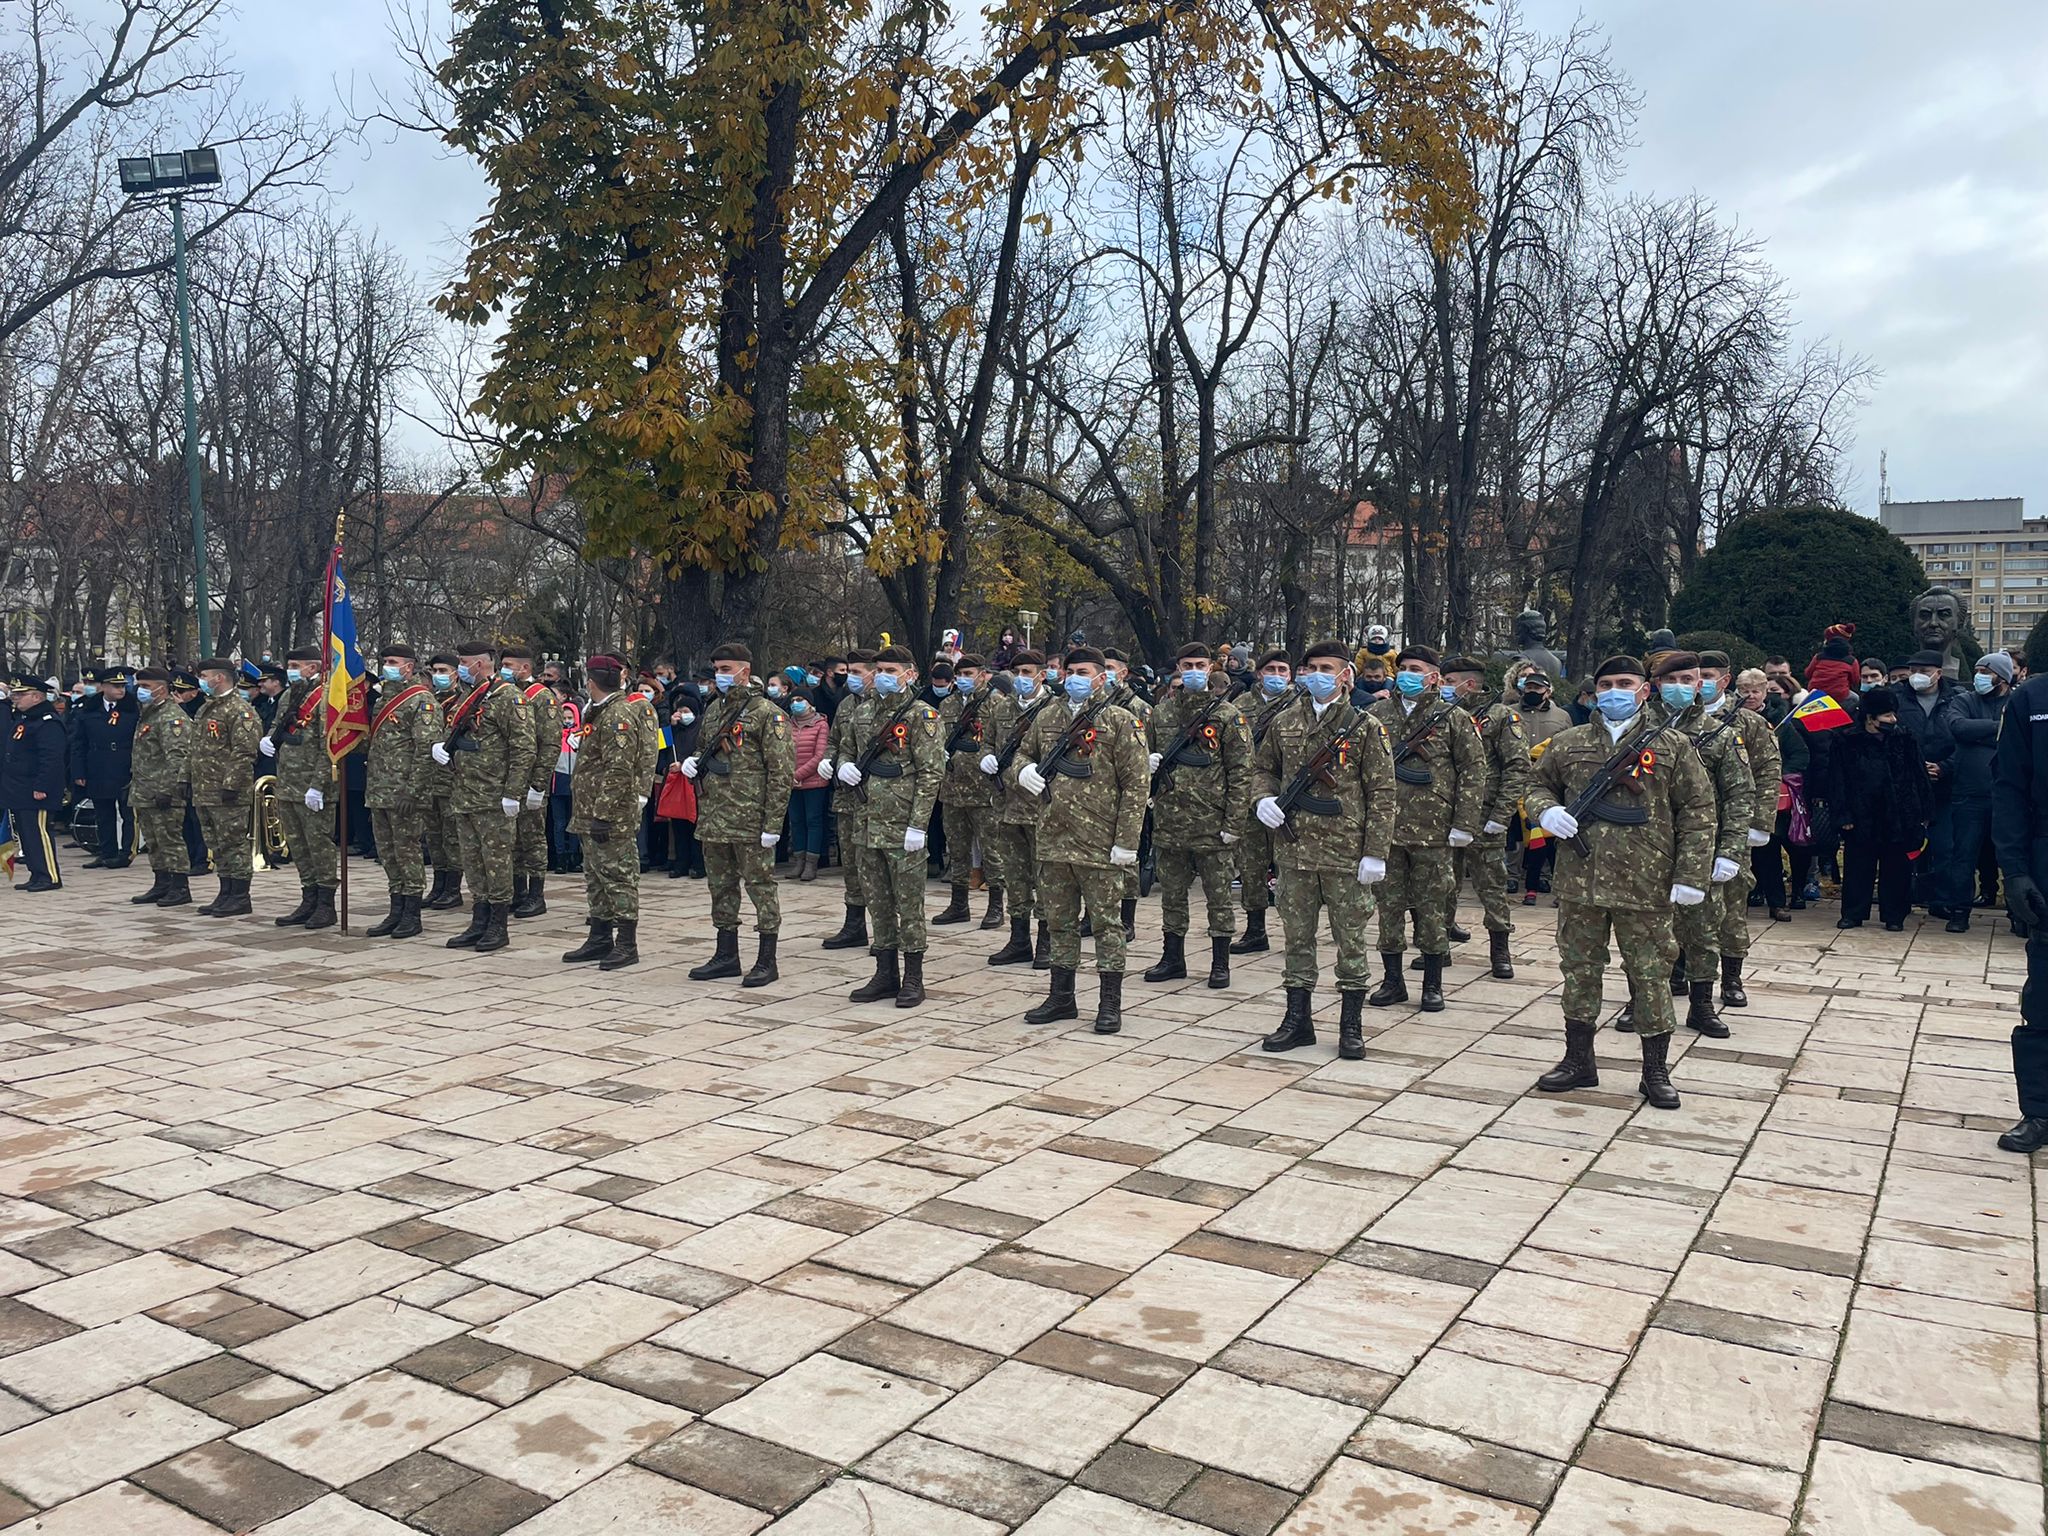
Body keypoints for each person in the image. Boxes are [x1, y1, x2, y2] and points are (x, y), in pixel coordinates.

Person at [1526, 655, 1715, 1109]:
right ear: (1594, 692)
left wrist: (1691, 875)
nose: (1615, 691)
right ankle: (1578, 1060)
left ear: (1643, 690)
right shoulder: (1569, 742)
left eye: (1624, 683)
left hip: (1646, 882)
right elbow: (1536, 785)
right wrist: (1545, 811)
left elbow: (1698, 810)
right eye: (1606, 683)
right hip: (1580, 881)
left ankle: (1654, 1071)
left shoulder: (1671, 745)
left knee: (1649, 975)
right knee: (1579, 972)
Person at [1252, 641, 1395, 1056]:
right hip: (1294, 851)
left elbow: (1383, 793)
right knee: (1297, 938)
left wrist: (1376, 851)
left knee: (1350, 940)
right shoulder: (1284, 721)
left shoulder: (1365, 726)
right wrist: (1262, 799)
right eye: (1311, 666)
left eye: (1326, 667)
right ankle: (1298, 1020)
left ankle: (1351, 1026)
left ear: (1346, 674)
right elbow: (1263, 769)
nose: (1317, 674)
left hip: (1345, 853)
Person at [1010, 646, 1148, 1034]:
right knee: (1059, 922)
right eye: (1069, 670)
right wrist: (1023, 772)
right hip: (1053, 836)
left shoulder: (1121, 721)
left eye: (1083, 672)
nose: (1074, 677)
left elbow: (1136, 786)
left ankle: (1110, 1002)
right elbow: (1020, 754)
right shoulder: (1047, 715)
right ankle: (1062, 997)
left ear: (1102, 678)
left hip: (1100, 841)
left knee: (1106, 924)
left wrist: (1127, 841)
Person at [1616, 652, 1751, 1040]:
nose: (1681, 686)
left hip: (1701, 846)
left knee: (1703, 931)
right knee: (1644, 933)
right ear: (1655, 684)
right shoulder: (1633, 731)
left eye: (1689, 679)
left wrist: (1730, 850)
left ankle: (1702, 1004)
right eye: (1671, 679)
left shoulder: (1721, 734)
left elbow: (1740, 795)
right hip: (1647, 848)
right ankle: (1639, 1000)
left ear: (1700, 685)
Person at [1365, 645, 1484, 1013]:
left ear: (1433, 676)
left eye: (1415, 669)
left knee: (1432, 910)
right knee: (1388, 908)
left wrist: (1464, 823)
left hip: (1434, 831)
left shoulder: (1453, 717)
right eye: (1402, 668)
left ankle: (1433, 984)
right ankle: (1393, 981)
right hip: (1387, 830)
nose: (1407, 674)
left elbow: (1473, 771)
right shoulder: (1376, 714)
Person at [836, 645, 945, 1007]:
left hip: (902, 826)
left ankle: (914, 977)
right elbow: (846, 750)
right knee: (878, 903)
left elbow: (931, 773)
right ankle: (885, 973)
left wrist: (919, 825)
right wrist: (843, 766)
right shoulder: (863, 712)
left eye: (890, 669)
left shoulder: (921, 716)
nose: (882, 675)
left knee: (908, 904)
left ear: (910, 674)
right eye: (879, 669)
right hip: (867, 822)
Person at [683, 642, 795, 986]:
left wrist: (773, 823)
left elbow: (781, 771)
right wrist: (694, 760)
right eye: (717, 669)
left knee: (761, 888)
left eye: (726, 669)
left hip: (751, 819)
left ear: (745, 671)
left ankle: (766, 959)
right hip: (716, 815)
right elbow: (705, 745)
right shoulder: (715, 709)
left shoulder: (766, 713)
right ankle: (726, 954)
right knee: (721, 886)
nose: (720, 675)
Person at [1145, 644, 1253, 989]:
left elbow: (1241, 772)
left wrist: (1234, 823)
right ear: (1178, 666)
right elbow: (1145, 759)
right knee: (1172, 896)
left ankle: (1220, 963)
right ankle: (1172, 957)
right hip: (1170, 819)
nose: (1193, 670)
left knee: (1219, 898)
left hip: (1212, 823)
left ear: (1210, 668)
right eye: (1187, 664)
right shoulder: (1160, 713)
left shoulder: (1226, 715)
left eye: (1200, 665)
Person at [563, 652, 662, 969]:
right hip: (589, 811)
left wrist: (603, 813)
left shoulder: (618, 714)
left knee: (618, 877)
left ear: (590, 682)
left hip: (609, 815)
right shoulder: (600, 711)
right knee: (595, 877)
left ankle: (626, 944)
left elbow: (619, 771)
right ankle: (600, 937)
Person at [434, 641, 533, 953]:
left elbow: (524, 747)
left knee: (496, 860)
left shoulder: (508, 697)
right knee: (473, 861)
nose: (461, 668)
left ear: (479, 664)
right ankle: (479, 919)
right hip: (465, 793)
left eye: (464, 662)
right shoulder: (471, 696)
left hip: (493, 795)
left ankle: (498, 925)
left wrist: (513, 792)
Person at [1990, 643, 2048, 1151]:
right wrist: (2015, 870)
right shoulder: (2032, 699)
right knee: (2044, 1001)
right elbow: (2008, 787)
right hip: (2046, 860)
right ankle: (2039, 1111)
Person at [1699, 651, 1779, 1008]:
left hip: (1731, 827)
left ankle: (1731, 976)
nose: (1699, 682)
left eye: (1708, 675)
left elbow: (1767, 771)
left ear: (1725, 680)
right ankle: (1682, 970)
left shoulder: (1745, 721)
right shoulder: (1670, 718)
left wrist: (1760, 823)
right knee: (1679, 906)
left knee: (1731, 906)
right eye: (1693, 675)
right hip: (1684, 829)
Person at [1440, 656, 1527, 979]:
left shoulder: (1500, 717)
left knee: (1491, 886)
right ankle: (1440, 943)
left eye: (1449, 682)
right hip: (1445, 814)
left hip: (1484, 814)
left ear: (1469, 684)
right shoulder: (1441, 715)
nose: (1443, 688)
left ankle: (1500, 949)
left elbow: (1517, 768)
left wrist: (1501, 815)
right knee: (1441, 884)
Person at [1828, 684, 1933, 931]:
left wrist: (1925, 812)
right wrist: (1843, 814)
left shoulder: (1904, 737)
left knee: (1897, 869)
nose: (1892, 720)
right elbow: (1837, 780)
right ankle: (1853, 913)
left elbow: (1919, 775)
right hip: (1860, 814)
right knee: (1857, 867)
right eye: (1887, 715)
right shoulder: (1846, 740)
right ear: (1870, 717)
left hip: (1899, 814)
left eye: (1893, 714)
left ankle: (1894, 916)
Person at [982, 650, 1058, 967]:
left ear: (1042, 674)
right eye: (1017, 672)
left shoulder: (1055, 709)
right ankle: (1018, 939)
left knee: (1045, 877)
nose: (1022, 678)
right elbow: (988, 742)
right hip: (1007, 805)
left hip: (1041, 807)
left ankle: (1046, 942)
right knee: (1016, 876)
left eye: (1028, 672)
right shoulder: (1002, 707)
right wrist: (984, 758)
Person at [1928, 652, 2013, 933]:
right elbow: (1958, 727)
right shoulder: (1963, 699)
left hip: (2008, 797)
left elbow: (2020, 734)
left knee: (2011, 856)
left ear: (2002, 676)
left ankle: (2018, 913)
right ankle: (1959, 912)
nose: (1979, 676)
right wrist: (2000, 729)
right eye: (1977, 670)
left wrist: (1980, 734)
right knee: (1962, 856)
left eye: (1985, 671)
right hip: (1968, 795)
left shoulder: (2015, 701)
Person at [363, 644, 441, 939]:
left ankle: (412, 913)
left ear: (409, 667)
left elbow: (425, 749)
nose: (387, 666)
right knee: (388, 853)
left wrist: (414, 790)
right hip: (380, 789)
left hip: (404, 792)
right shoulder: (384, 700)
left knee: (407, 851)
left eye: (393, 662)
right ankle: (396, 908)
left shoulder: (420, 701)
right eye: (385, 662)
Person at [261, 646, 341, 930]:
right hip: (288, 782)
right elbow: (278, 726)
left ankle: (325, 904)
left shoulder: (326, 696)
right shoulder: (288, 695)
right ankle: (308, 897)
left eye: (297, 665)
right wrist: (269, 739)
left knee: (319, 845)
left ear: (313, 668)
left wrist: (318, 785)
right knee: (299, 845)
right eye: (290, 664)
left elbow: (329, 746)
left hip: (313, 787)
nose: (291, 670)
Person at [1231, 651, 1296, 953]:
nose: (1277, 675)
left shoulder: (1301, 706)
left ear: (1291, 675)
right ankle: (1255, 929)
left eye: (1283, 670)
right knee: (1252, 864)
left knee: (1291, 867)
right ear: (1259, 674)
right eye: (1271, 669)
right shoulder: (1239, 706)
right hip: (1249, 797)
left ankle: (1296, 930)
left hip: (1291, 798)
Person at [190, 659, 262, 915]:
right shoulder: (206, 709)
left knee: (233, 843)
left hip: (228, 791)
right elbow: (196, 750)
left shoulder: (239, 710)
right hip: (205, 789)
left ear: (219, 678)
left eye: (204, 675)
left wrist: (232, 784)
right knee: (217, 844)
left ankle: (241, 895)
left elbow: (244, 752)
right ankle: (226, 891)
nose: (201, 680)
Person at [934, 655, 1002, 925]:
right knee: (957, 850)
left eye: (968, 673)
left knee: (992, 850)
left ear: (982, 674)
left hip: (983, 791)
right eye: (959, 673)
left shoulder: (997, 704)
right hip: (952, 789)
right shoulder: (947, 703)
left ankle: (996, 905)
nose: (963, 678)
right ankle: (958, 904)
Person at [819, 647, 876, 950]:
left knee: (876, 866)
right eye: (848, 672)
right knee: (851, 862)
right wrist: (830, 761)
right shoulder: (846, 704)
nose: (850, 678)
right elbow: (834, 740)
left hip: (878, 800)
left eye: (856, 672)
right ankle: (854, 924)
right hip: (846, 795)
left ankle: (885, 929)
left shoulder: (889, 706)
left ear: (873, 673)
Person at [498, 646, 558, 918]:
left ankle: (536, 894)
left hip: (531, 779)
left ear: (525, 668)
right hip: (508, 779)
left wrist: (539, 784)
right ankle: (518, 891)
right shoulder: (504, 694)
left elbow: (549, 743)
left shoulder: (541, 697)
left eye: (510, 665)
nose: (504, 670)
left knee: (532, 839)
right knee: (513, 841)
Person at [127, 667, 195, 907]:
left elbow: (178, 758)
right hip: (145, 790)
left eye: (146, 686)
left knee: (170, 839)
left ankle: (179, 886)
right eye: (140, 686)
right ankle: (161, 882)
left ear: (162, 688)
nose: (140, 691)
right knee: (154, 841)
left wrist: (169, 789)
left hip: (164, 792)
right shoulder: (149, 713)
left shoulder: (170, 717)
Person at [1510, 664, 1571, 904]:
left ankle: (1545, 877)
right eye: (1529, 686)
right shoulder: (1510, 712)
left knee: (1546, 831)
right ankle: (1513, 875)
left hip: (1548, 779)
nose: (1532, 691)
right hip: (1516, 777)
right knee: (1514, 830)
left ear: (1548, 691)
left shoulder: (1561, 716)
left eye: (1537, 687)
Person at [1101, 648, 1150, 940]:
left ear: (1123, 673)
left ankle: (1127, 918)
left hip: (1128, 791)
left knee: (1128, 859)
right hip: (1098, 794)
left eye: (1110, 667)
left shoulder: (1139, 707)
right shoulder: (1096, 706)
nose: (1105, 672)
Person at [3, 676, 69, 891]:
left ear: (37, 697)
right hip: (19, 787)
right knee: (27, 834)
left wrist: (42, 786)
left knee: (39, 832)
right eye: (15, 694)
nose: (16, 698)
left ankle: (49, 875)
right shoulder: (25, 719)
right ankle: (36, 873)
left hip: (36, 788)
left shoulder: (47, 721)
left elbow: (51, 758)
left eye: (21, 695)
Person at [70, 667, 137, 869]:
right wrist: (79, 771)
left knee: (128, 813)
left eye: (123, 686)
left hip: (124, 764)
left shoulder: (132, 708)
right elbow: (78, 743)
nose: (121, 690)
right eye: (115, 686)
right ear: (103, 687)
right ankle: (107, 852)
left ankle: (126, 853)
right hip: (98, 764)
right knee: (103, 812)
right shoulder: (89, 709)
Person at [421, 654, 467, 910]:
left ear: (455, 673)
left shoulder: (463, 702)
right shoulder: (429, 700)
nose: (438, 674)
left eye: (443, 670)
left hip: (451, 778)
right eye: (435, 670)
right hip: (430, 778)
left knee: (452, 837)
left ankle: (453, 887)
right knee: (434, 836)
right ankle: (438, 883)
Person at [785, 683, 832, 880]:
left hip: (813, 782)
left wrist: (798, 775)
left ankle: (811, 864)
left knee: (813, 821)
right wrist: (789, 775)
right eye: (793, 700)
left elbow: (819, 754)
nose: (796, 704)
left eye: (800, 700)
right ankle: (799, 860)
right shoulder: (788, 723)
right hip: (791, 782)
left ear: (810, 704)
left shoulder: (821, 724)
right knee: (796, 822)